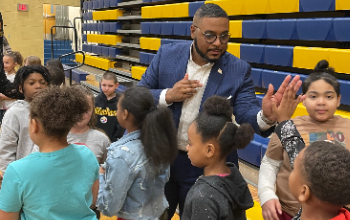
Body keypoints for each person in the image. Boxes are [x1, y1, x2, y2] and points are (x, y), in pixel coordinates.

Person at [138, 3, 302, 218]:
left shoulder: (238, 69)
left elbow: (246, 113)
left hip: (204, 164)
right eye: (210, 36)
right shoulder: (167, 55)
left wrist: (267, 116)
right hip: (161, 158)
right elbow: (138, 95)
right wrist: (168, 95)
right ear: (193, 31)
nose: (218, 43)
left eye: (224, 36)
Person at [258, 60, 350, 220]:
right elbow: (270, 163)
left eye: (329, 96)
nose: (321, 102)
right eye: (314, 96)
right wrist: (266, 194)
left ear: (338, 99)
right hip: (287, 212)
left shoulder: (348, 127)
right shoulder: (289, 126)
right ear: (304, 99)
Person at [0, 86, 99, 220]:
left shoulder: (17, 170)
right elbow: (92, 201)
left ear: (35, 125)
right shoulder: (87, 154)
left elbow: (7, 218)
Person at [97, 86, 178, 220]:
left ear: (125, 114)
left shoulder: (122, 155)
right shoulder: (161, 140)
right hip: (160, 213)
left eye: (118, 108)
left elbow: (108, 208)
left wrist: (100, 175)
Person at [182, 95, 255, 220]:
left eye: (190, 143)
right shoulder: (233, 175)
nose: (187, 147)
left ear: (209, 150)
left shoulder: (203, 197)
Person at [0, 66, 51, 173]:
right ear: (20, 88)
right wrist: (9, 176)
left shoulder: (53, 111)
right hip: (24, 175)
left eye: (42, 82)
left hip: (50, 173)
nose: (38, 86)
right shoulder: (14, 113)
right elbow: (6, 148)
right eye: (31, 83)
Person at [68, 85, 110, 165]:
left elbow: (108, 170)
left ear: (93, 109)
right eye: (77, 107)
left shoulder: (102, 140)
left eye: (87, 108)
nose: (82, 113)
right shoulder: (53, 137)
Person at [95, 71, 124, 142]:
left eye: (110, 86)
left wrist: (115, 140)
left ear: (116, 85)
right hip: (96, 139)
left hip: (113, 140)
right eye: (104, 85)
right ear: (100, 83)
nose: (106, 88)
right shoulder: (95, 101)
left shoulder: (120, 103)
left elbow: (121, 126)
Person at [0, 51, 23, 125]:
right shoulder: (3, 76)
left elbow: (17, 93)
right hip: (1, 108)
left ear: (14, 64)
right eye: (3, 62)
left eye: (7, 63)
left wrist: (3, 96)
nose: (4, 65)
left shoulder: (15, 77)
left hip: (10, 107)